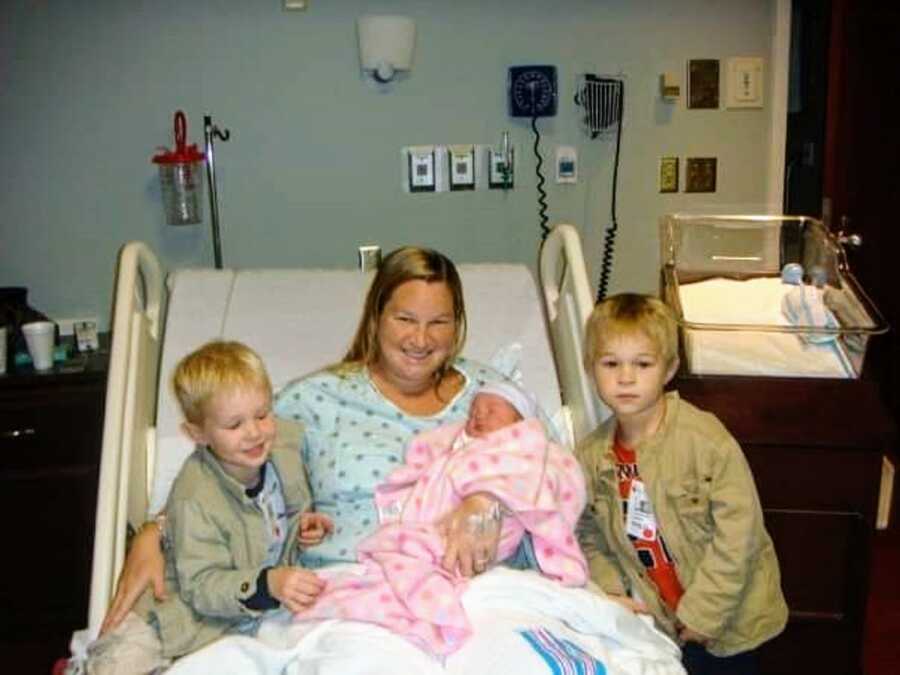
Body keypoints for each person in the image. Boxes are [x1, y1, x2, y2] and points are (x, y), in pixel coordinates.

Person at [101, 246, 538, 635]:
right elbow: (224, 467)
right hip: (349, 599)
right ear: (376, 317)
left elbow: (553, 474)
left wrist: (490, 498)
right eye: (405, 319)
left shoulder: (495, 397)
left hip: (483, 595)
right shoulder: (314, 401)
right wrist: (154, 535)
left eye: (439, 322)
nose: (421, 339)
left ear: (458, 323)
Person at [84, 341, 332, 674]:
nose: (255, 432)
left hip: (232, 617)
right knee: (120, 663)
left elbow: (286, 511)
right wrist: (269, 584)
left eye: (262, 414)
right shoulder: (195, 496)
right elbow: (201, 586)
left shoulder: (285, 446)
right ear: (197, 434)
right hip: (171, 613)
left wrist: (306, 525)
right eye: (234, 425)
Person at [292, 381, 587, 657]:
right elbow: (429, 480)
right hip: (431, 531)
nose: (479, 417)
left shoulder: (524, 450)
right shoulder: (455, 448)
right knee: (399, 559)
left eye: (492, 412)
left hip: (482, 541)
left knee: (412, 561)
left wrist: (489, 495)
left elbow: (549, 482)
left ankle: (424, 603)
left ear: (519, 423)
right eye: (474, 411)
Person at [575, 293, 787, 675]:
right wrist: (612, 591)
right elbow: (588, 530)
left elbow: (741, 535)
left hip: (731, 620)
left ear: (669, 368)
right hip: (661, 621)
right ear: (591, 370)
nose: (625, 377)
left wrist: (704, 613)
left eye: (642, 364)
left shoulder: (703, 440)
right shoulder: (591, 456)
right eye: (611, 364)